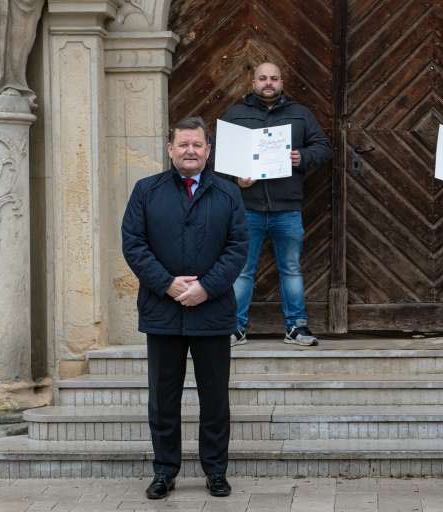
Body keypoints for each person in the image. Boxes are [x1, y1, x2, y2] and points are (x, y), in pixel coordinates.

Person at [121, 116, 248, 500]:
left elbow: (238, 246)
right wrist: (168, 284)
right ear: (170, 149)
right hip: (163, 311)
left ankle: (215, 472)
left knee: (214, 398)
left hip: (212, 311)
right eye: (183, 144)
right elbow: (133, 243)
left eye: (197, 145)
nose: (190, 151)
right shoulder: (146, 191)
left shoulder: (228, 194)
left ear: (208, 151)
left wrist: (206, 287)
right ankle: (164, 471)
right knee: (163, 398)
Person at [214, 62, 332, 347]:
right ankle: (235, 328)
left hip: (287, 206)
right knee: (242, 270)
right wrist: (236, 178)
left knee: (291, 268)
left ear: (282, 82)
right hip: (246, 207)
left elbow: (323, 148)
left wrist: (301, 157)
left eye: (274, 78)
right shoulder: (235, 114)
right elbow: (218, 155)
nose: (269, 83)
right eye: (263, 78)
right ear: (253, 82)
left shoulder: (300, 114)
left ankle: (296, 327)